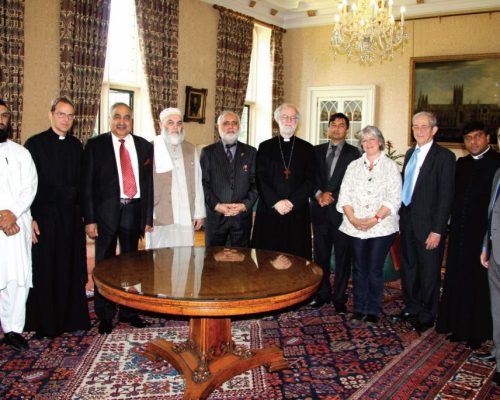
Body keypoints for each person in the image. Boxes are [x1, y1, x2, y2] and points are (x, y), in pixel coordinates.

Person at [82, 102, 153, 334]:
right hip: (105, 214)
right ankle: (104, 314)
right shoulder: (95, 145)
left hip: (134, 211)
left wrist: (147, 217)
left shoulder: (143, 146)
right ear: (110, 119)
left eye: (127, 117)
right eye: (117, 117)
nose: (122, 121)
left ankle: (129, 311)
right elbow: (88, 185)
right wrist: (90, 219)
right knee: (104, 265)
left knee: (131, 265)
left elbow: (148, 184)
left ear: (132, 120)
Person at [24, 97, 90, 338]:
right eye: (62, 114)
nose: (66, 119)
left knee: (70, 265)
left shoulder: (76, 145)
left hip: (71, 218)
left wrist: (85, 214)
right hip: (45, 217)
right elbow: (28, 185)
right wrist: (29, 216)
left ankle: (71, 318)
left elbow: (83, 183)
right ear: (50, 114)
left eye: (70, 115)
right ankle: (46, 322)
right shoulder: (34, 144)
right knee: (46, 267)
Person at [436, 121, 500, 348]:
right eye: (468, 138)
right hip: (460, 234)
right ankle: (457, 326)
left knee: (480, 284)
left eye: (478, 136)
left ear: (488, 138)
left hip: (485, 237)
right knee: (457, 278)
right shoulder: (461, 164)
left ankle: (478, 331)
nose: (473, 141)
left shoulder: (497, 164)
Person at [396, 111, 455, 332]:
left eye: (424, 126)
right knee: (409, 267)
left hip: (430, 226)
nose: (419, 130)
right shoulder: (411, 153)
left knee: (429, 271)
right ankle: (412, 306)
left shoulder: (444, 157)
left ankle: (428, 313)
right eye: (415, 126)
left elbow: (446, 196)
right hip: (408, 221)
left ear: (434, 130)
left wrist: (438, 230)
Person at [336, 126, 401, 324]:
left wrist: (374, 219)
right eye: (364, 140)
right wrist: (354, 219)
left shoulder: (390, 167)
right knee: (358, 268)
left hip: (381, 227)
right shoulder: (353, 166)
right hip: (354, 226)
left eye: (372, 139)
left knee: (374, 268)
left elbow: (394, 197)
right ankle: (359, 308)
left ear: (380, 141)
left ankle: (372, 309)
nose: (368, 143)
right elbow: (344, 195)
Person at [309, 113, 360, 311]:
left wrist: (333, 196)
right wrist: (319, 194)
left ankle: (339, 297)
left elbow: (355, 183)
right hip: (319, 211)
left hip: (342, 213)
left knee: (342, 257)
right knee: (320, 256)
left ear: (347, 129)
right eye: (333, 125)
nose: (337, 128)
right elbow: (309, 178)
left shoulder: (354, 153)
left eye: (341, 125)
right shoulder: (315, 151)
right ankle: (322, 293)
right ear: (328, 128)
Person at [251, 103, 314, 259]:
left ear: (297, 122)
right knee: (267, 257)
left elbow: (310, 179)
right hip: (270, 209)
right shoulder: (265, 147)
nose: (289, 121)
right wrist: (276, 202)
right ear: (277, 120)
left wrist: (292, 202)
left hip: (297, 210)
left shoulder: (307, 148)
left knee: (296, 258)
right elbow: (260, 177)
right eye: (285, 117)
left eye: (293, 118)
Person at [0, 99, 38, 350]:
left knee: (18, 278)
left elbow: (30, 186)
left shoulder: (21, 153)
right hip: (5, 223)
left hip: (18, 223)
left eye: (4, 115)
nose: (1, 120)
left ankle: (13, 329)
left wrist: (13, 214)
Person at [145, 107, 205, 248]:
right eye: (170, 123)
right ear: (161, 125)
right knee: (160, 259)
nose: (175, 127)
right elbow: (145, 185)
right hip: (160, 213)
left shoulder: (190, 149)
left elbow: (197, 182)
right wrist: (146, 217)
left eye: (179, 123)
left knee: (185, 258)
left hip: (185, 213)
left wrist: (199, 213)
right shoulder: (151, 148)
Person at [200, 110, 258, 247]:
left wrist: (244, 205)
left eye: (234, 123)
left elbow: (256, 184)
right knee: (213, 262)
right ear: (218, 127)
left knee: (241, 262)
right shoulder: (208, 152)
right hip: (216, 218)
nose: (231, 127)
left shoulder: (251, 152)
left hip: (241, 219)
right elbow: (203, 184)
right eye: (226, 123)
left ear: (239, 127)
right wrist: (217, 205)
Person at [480, 167, 500, 385]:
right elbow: (492, 212)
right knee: (497, 310)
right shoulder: (498, 173)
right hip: (495, 253)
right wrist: (486, 245)